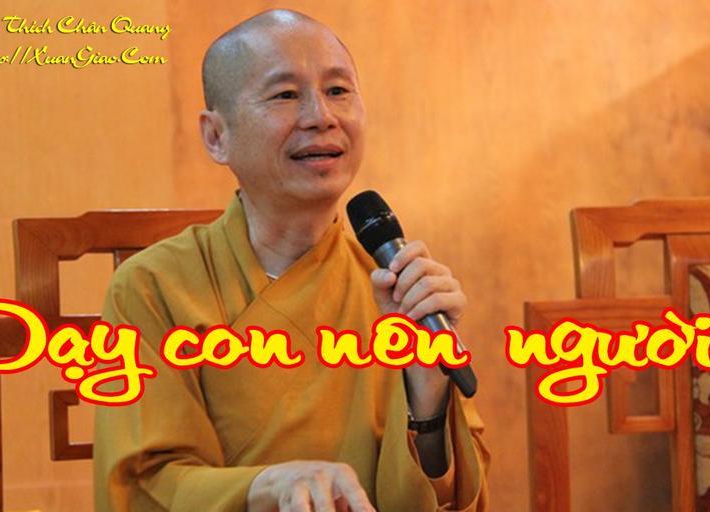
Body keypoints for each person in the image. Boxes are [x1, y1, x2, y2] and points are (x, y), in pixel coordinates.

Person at [94, 9, 490, 511]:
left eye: (338, 90)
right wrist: (266, 487)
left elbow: (453, 498)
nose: (321, 116)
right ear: (216, 135)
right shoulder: (153, 287)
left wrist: (425, 400)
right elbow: (143, 486)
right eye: (285, 94)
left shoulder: (400, 295)